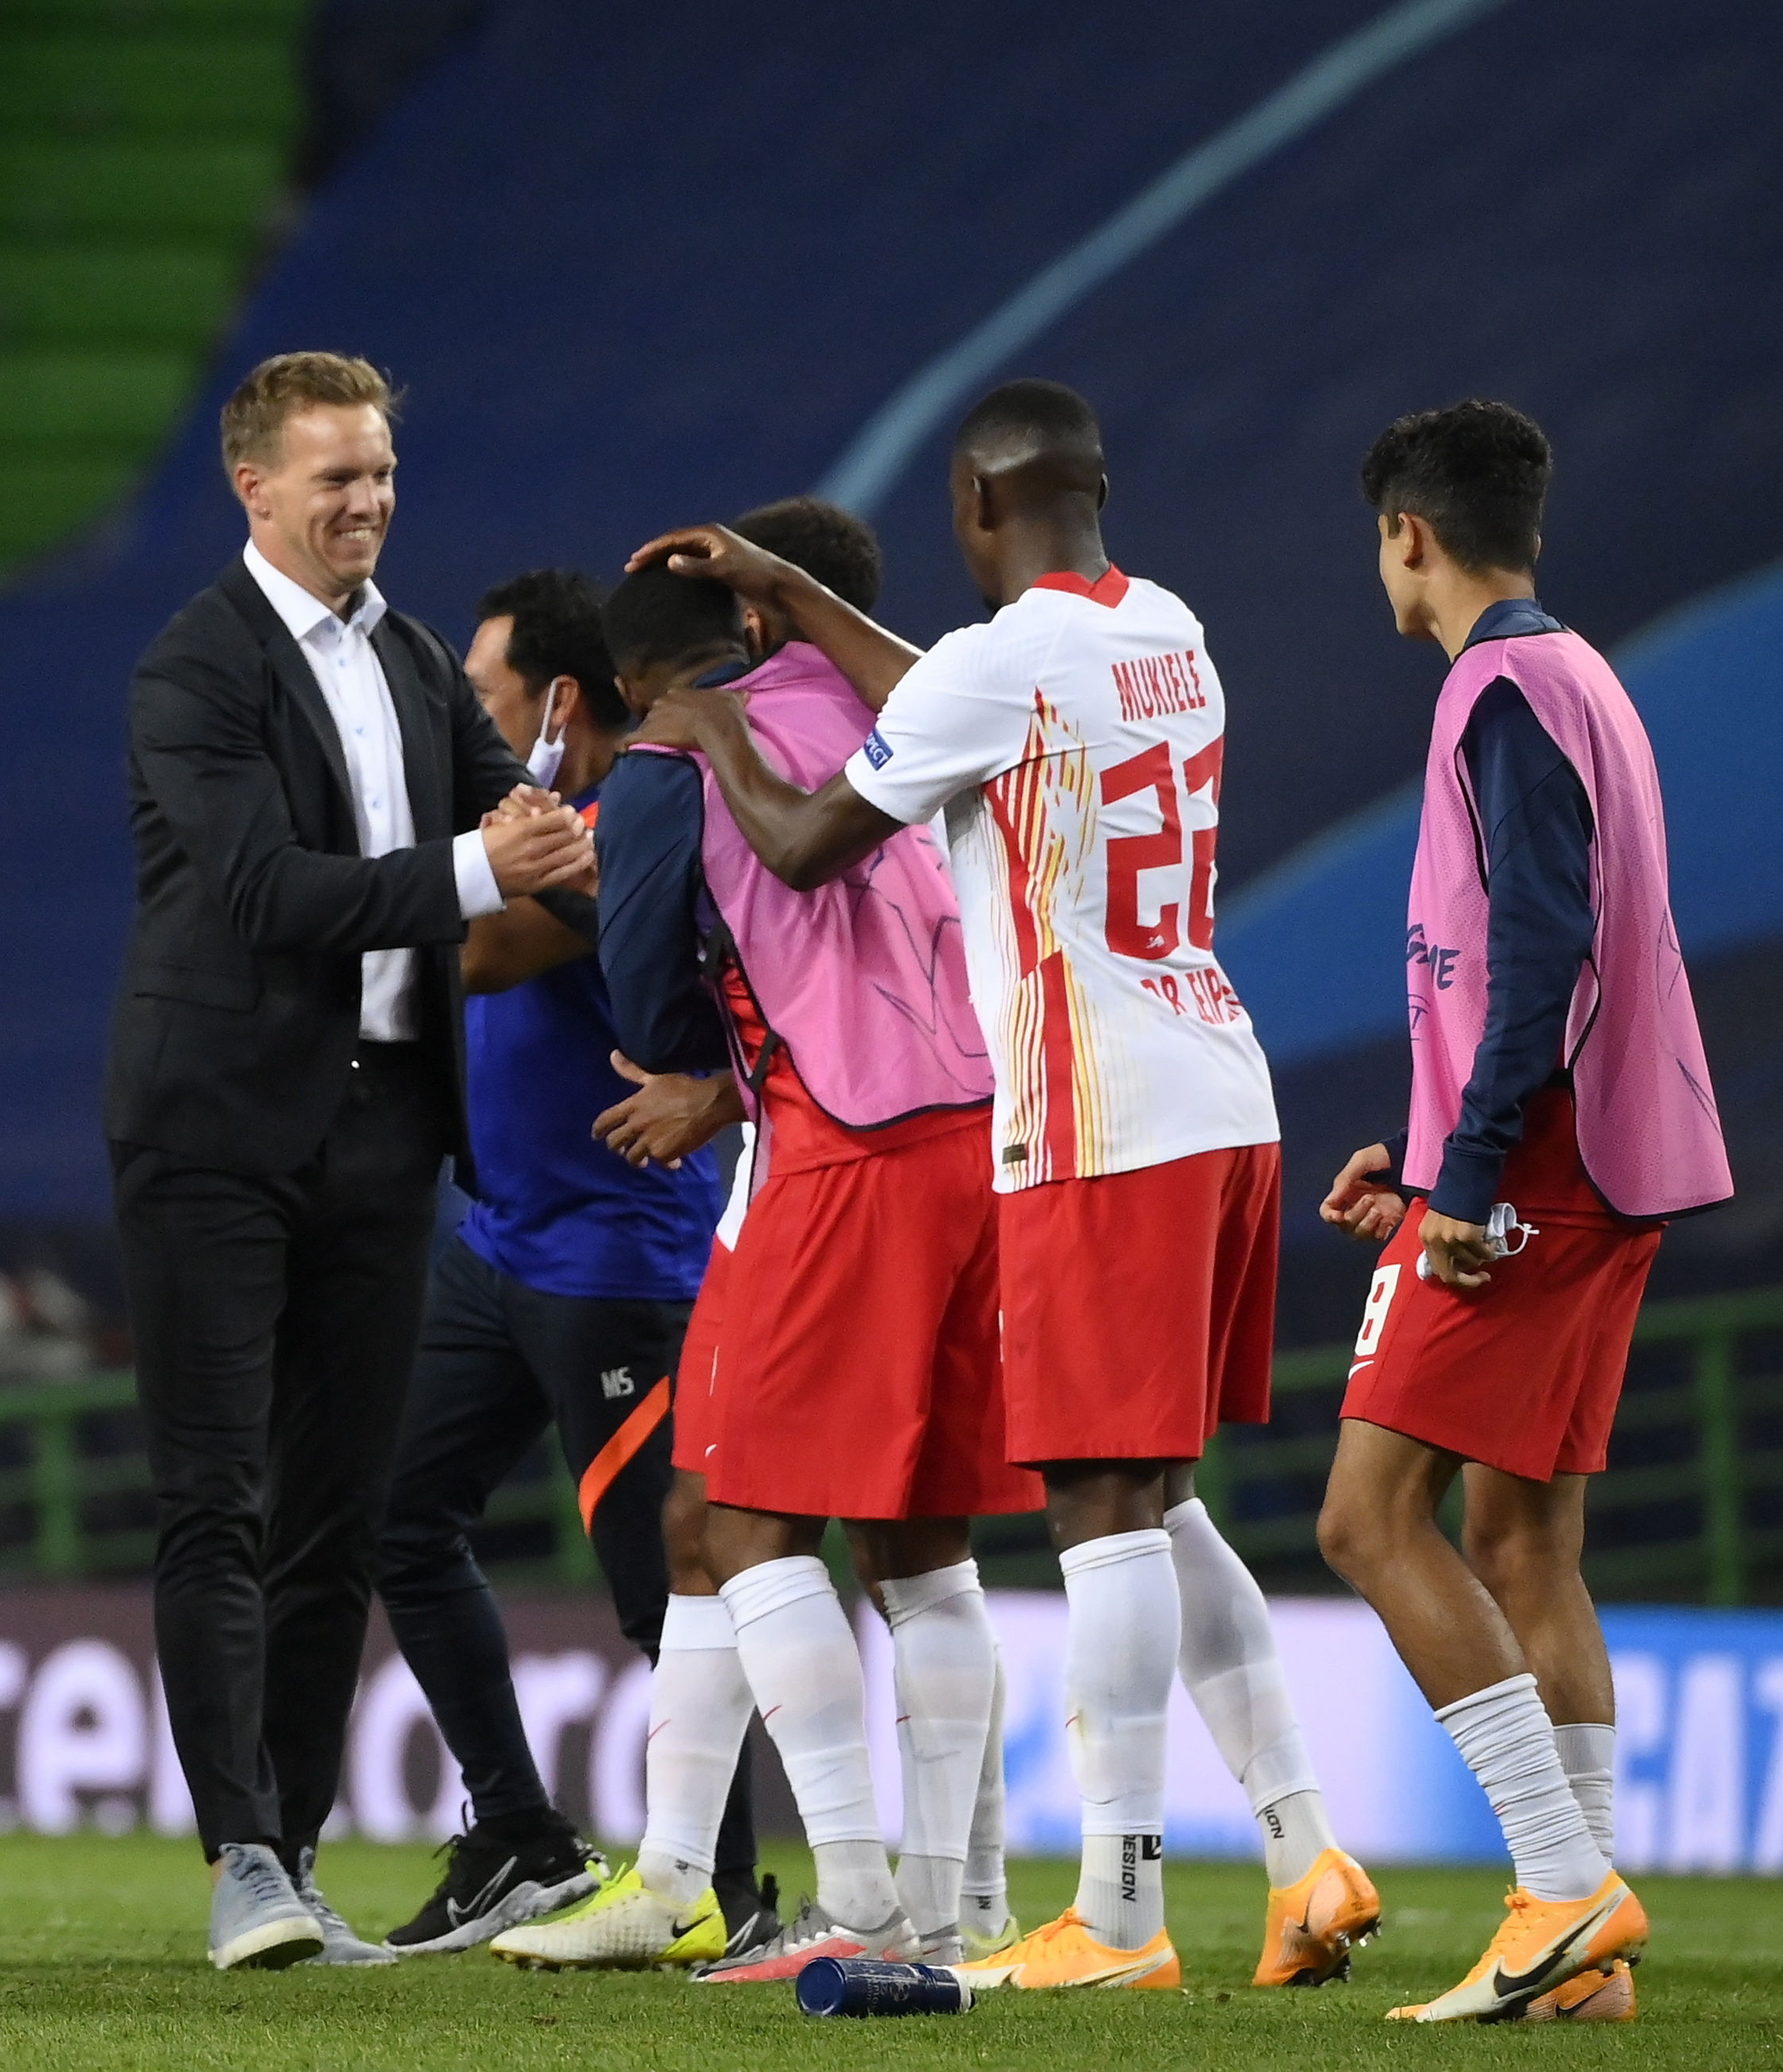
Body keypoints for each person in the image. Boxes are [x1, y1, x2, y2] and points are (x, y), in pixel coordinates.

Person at [633, 380, 1368, 1991]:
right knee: (1157, 1496)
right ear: (1087, 487)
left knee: (1100, 1502)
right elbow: (961, 697)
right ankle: (1298, 1837)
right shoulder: (1160, 624)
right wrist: (812, 602)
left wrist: (707, 725)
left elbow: (813, 835)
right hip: (1215, 1079)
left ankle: (1112, 1914)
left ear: (971, 508)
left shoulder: (990, 661)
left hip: (1094, 1105)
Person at [108, 350, 595, 1972]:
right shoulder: (195, 663)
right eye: (334, 478)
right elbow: (264, 890)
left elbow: (532, 841)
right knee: (214, 1497)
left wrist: (694, 962)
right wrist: (476, 860)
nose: (366, 502)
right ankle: (238, 1851)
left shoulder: (404, 655)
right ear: (252, 488)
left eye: (379, 472)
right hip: (216, 1128)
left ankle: (293, 1848)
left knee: (333, 1510)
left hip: (386, 1126)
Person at [546, 529, 1033, 1985]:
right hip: (979, 1131)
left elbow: (646, 994)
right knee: (924, 1546)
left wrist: (698, 1059)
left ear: (628, 681)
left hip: (845, 1150)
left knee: (743, 1526)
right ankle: (949, 1916)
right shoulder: (862, 695)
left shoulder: (660, 765)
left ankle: (869, 1912)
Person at [1311, 401, 1723, 2025]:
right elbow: (1521, 954)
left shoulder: (1491, 692)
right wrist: (1422, 1151)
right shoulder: (1581, 677)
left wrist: (1466, 1178)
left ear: (1406, 532)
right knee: (1519, 1535)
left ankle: (1561, 1887)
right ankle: (1585, 1968)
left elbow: (1542, 953)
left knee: (1361, 1515)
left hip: (1538, 1171)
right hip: (1601, 1153)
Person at [358, 567, 751, 1958]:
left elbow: (470, 955)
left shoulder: (610, 834)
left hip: (614, 1263)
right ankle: (519, 1833)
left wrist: (414, 855)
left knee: (671, 1589)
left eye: (484, 691)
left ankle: (734, 1891)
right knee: (398, 1518)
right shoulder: (556, 826)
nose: (468, 712)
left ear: (559, 701)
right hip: (502, 1240)